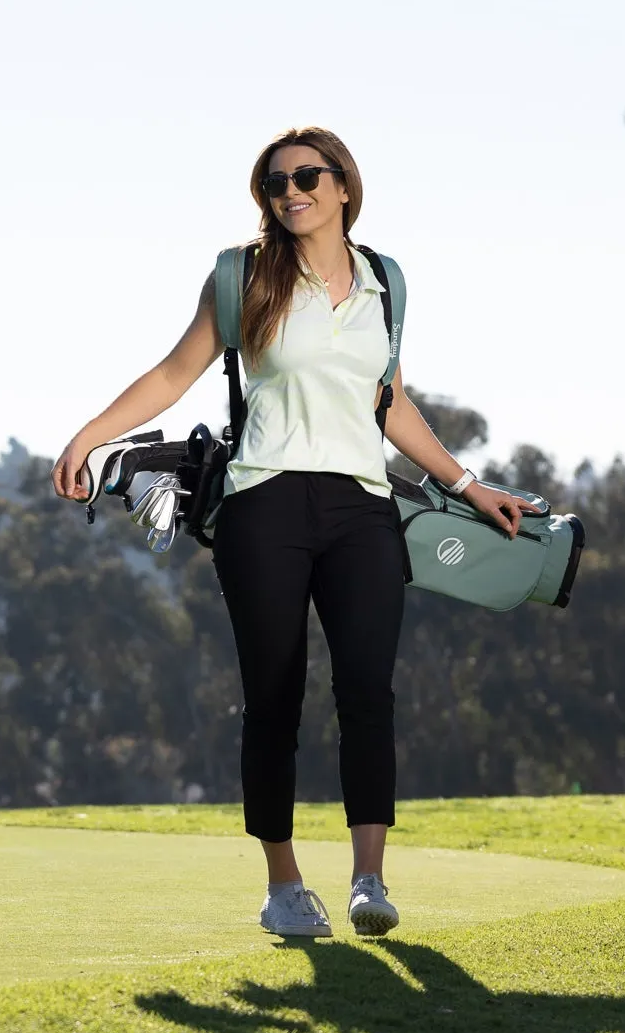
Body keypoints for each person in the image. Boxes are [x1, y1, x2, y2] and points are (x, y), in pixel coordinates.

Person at [50, 125, 531, 939]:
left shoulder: (386, 280)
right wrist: (89, 434)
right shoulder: (244, 276)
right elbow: (175, 372)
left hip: (362, 510)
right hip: (263, 506)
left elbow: (389, 402)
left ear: (344, 185)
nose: (292, 191)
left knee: (368, 694)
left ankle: (369, 881)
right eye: (276, 183)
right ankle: (283, 887)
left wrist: (466, 483)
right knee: (274, 703)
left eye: (308, 176)